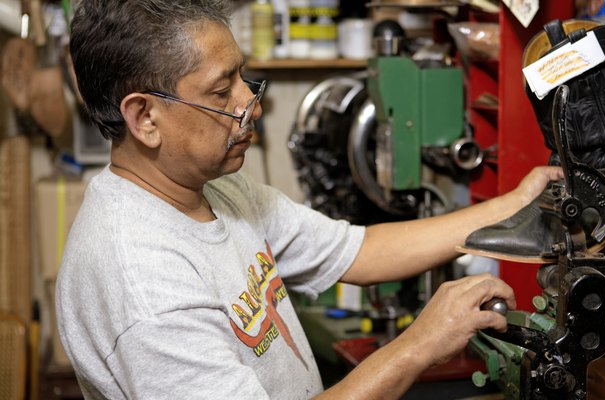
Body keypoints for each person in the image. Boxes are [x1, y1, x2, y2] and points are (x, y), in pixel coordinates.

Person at [56, 1, 563, 399]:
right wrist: (419, 346)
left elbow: (358, 251)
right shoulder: (141, 283)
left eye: (241, 77)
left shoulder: (213, 189)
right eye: (219, 92)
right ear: (144, 118)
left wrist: (515, 206)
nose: (248, 103)